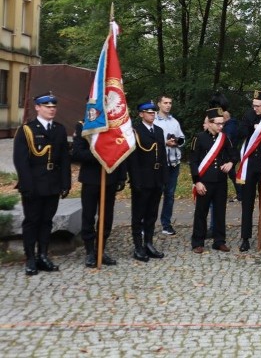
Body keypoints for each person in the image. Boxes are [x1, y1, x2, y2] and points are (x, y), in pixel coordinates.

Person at [13, 92, 71, 275]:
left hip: (52, 184)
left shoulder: (59, 129)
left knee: (47, 221)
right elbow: (21, 162)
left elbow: (64, 159)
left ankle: (43, 256)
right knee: (32, 221)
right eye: (47, 107)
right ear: (37, 107)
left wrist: (65, 183)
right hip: (34, 185)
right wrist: (27, 186)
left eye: (54, 107)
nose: (51, 109)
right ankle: (30, 258)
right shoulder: (27, 130)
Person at [71, 121, 127, 268]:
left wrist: (121, 176)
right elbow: (76, 153)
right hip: (91, 178)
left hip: (110, 177)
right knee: (88, 215)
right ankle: (89, 251)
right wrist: (98, 152)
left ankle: (101, 249)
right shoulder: (83, 126)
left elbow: (121, 151)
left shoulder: (114, 124)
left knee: (107, 216)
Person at [189, 107, 237, 253]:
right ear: (209, 123)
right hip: (204, 181)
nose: (220, 126)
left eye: (222, 123)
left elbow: (234, 155)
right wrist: (197, 181)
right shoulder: (198, 138)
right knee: (201, 213)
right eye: (217, 123)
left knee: (220, 212)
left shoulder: (224, 138)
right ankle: (198, 241)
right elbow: (193, 162)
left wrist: (231, 163)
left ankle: (219, 241)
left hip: (220, 181)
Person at [128, 101, 168, 262]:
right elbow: (133, 159)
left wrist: (164, 178)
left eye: (153, 112)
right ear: (141, 114)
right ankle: (138, 246)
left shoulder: (158, 131)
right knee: (138, 215)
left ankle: (149, 243)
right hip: (142, 179)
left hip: (157, 178)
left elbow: (163, 156)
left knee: (152, 214)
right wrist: (135, 180)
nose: (152, 114)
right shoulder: (135, 131)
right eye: (148, 112)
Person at [236, 90, 261, 252]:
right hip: (250, 165)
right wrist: (253, 127)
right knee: (247, 202)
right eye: (254, 105)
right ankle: (245, 238)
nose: (255, 108)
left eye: (258, 106)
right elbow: (241, 132)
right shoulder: (249, 116)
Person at [154, 94, 184, 236]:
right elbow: (148, 140)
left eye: (170, 103)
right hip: (159, 164)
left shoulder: (174, 121)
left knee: (170, 195)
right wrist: (163, 143)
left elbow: (182, 139)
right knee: (154, 194)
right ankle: (147, 224)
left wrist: (176, 142)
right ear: (159, 104)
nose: (168, 105)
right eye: (165, 102)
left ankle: (166, 224)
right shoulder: (153, 120)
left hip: (173, 163)